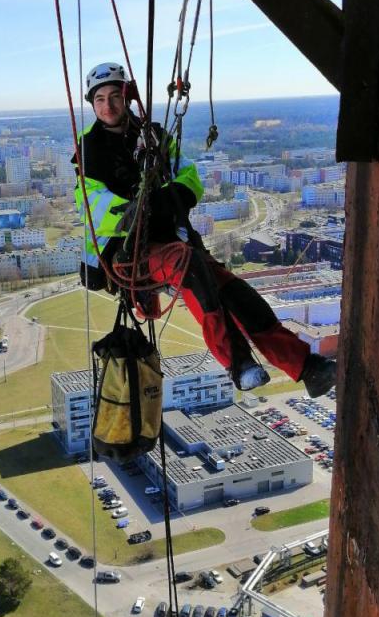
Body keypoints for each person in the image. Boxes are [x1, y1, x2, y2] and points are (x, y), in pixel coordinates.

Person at [72, 62, 337, 397]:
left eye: (114, 96)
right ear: (92, 105)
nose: (108, 106)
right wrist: (139, 209)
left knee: (237, 293)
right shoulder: (89, 148)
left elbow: (188, 175)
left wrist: (174, 195)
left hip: (169, 240)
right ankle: (238, 364)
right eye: (100, 100)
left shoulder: (152, 136)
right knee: (189, 266)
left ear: (126, 98)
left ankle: (307, 367)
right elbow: (89, 203)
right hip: (125, 251)